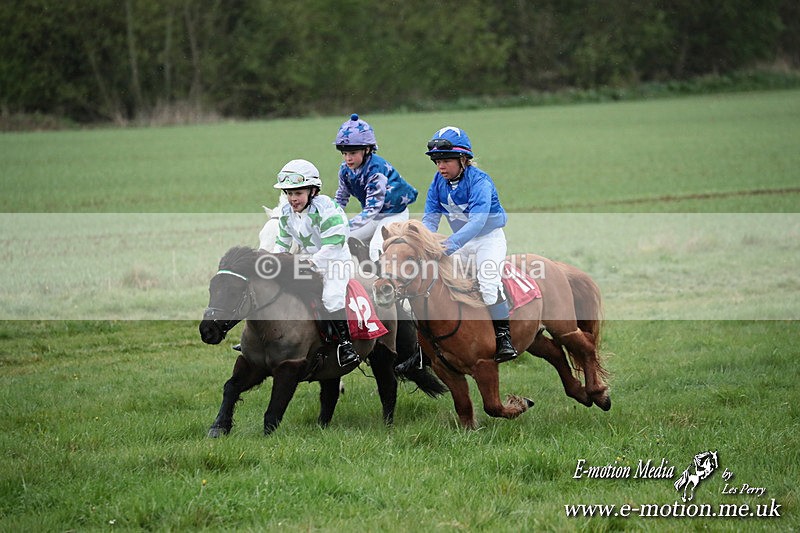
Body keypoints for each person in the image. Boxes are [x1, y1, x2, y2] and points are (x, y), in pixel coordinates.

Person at [421, 126, 517, 363]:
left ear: (463, 158)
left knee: (486, 283)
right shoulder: (437, 182)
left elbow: (477, 222)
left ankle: (504, 337)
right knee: (436, 283)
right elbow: (430, 218)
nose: (440, 166)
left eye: (445, 160)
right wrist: (423, 242)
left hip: (487, 239)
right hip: (461, 241)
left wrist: (446, 247)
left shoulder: (480, 181)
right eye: (436, 161)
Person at [271, 159, 359, 367]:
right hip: (307, 261)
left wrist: (309, 262)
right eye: (289, 193)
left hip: (336, 261)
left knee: (331, 298)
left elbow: (335, 243)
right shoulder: (285, 213)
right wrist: (274, 263)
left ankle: (346, 346)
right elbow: (281, 245)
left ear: (313, 191)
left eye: (298, 193)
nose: (293, 199)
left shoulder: (327, 208)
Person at [334, 114, 418, 262]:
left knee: (377, 247)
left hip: (394, 214)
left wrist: (347, 224)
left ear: (367, 149)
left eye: (353, 153)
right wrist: (331, 218)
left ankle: (383, 281)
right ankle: (361, 258)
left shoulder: (376, 170)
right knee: (345, 238)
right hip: (375, 216)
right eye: (345, 153)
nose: (348, 158)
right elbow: (341, 197)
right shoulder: (344, 170)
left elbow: (373, 208)